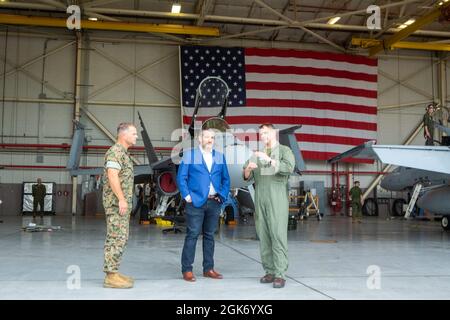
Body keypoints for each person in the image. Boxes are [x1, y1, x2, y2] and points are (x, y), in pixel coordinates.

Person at [243, 123, 295, 289]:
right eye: (261, 134)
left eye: (266, 133)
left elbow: (289, 168)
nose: (263, 136)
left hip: (276, 199)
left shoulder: (285, 151)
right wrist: (248, 170)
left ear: (274, 133)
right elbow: (245, 175)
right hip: (260, 199)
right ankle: (269, 271)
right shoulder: (256, 154)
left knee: (277, 235)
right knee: (264, 236)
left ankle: (280, 274)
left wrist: (270, 160)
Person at [176, 127, 231, 282]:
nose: (209, 140)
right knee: (192, 235)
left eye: (212, 137)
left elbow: (226, 179)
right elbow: (181, 178)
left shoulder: (220, 157)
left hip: (214, 202)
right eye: (207, 137)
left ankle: (208, 268)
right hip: (195, 202)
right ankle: (187, 270)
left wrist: (222, 195)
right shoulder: (190, 155)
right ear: (200, 139)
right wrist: (187, 196)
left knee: (210, 236)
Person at [102, 122, 138, 289]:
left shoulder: (124, 153)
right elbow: (112, 175)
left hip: (121, 205)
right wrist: (122, 199)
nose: (136, 136)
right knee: (116, 238)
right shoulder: (116, 152)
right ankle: (110, 276)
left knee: (121, 238)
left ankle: (114, 272)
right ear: (123, 135)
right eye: (134, 133)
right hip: (116, 204)